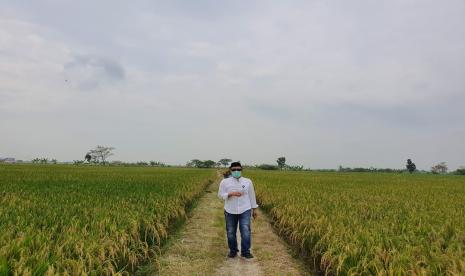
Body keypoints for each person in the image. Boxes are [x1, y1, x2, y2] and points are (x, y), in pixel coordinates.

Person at [218, 161, 258, 259]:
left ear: (241, 170)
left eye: (238, 169)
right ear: (230, 170)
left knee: (245, 231)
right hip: (230, 210)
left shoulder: (248, 181)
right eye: (234, 169)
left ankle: (245, 251)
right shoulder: (225, 182)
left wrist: (254, 209)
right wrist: (230, 194)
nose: (236, 171)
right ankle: (233, 250)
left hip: (245, 209)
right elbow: (220, 195)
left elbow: (252, 195)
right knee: (231, 231)